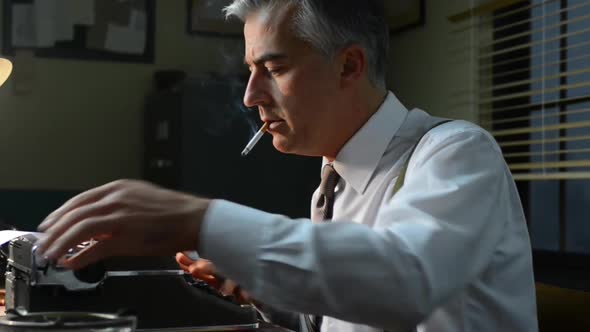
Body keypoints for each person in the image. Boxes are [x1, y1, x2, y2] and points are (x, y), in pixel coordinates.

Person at [35, 0, 539, 331]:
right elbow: (345, 316)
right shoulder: (331, 184)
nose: (253, 95)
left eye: (273, 69)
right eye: (251, 71)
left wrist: (199, 218)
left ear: (349, 65)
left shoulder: (456, 151)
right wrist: (255, 286)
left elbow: (406, 280)